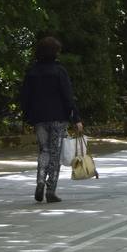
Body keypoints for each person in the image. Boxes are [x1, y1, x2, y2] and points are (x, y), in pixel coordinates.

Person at [19, 35, 81, 204]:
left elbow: (25, 97)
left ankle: (39, 180)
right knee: (55, 153)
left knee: (44, 150)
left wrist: (27, 116)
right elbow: (68, 96)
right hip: (58, 118)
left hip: (39, 118)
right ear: (55, 53)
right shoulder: (59, 71)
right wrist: (76, 118)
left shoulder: (32, 72)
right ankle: (50, 189)